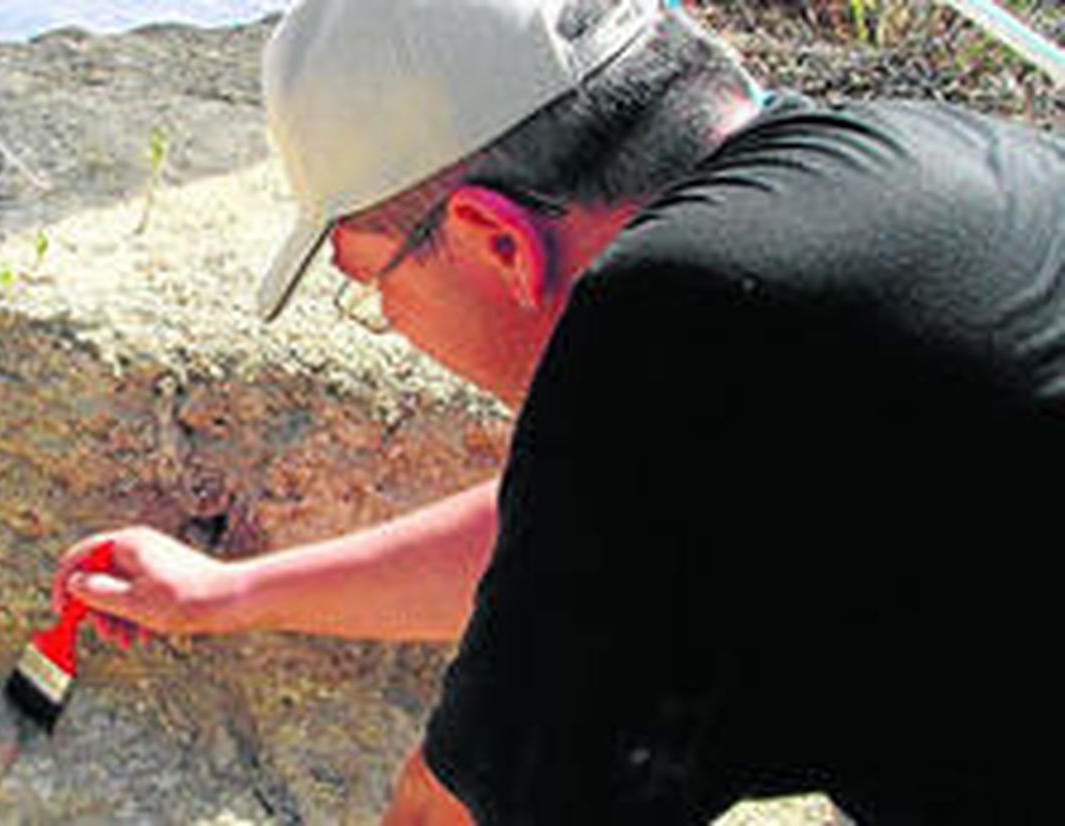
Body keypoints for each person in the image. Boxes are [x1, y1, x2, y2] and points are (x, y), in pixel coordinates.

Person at [54, 0, 1065, 822]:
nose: (391, 322)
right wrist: (231, 594)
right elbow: (586, 534)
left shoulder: (666, 318)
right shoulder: (910, 165)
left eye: (369, 285)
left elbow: (462, 811)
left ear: (497, 240)